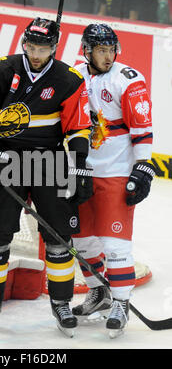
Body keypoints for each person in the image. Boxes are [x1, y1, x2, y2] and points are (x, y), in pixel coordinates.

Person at [0, 17, 93, 337]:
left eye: (43, 47)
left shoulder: (68, 79)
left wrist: (80, 168)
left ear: (54, 47)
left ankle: (62, 302)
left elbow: (78, 126)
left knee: (58, 238)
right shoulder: (0, 70)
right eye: (30, 46)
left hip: (49, 160)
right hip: (7, 157)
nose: (36, 53)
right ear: (23, 43)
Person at [72, 24, 155, 338]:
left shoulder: (129, 80)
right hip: (81, 171)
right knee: (80, 240)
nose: (108, 56)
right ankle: (100, 291)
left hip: (116, 172)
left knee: (115, 244)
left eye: (111, 49)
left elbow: (142, 128)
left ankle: (121, 302)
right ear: (87, 50)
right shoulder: (73, 75)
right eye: (101, 50)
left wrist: (142, 167)